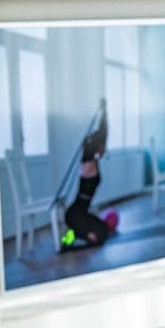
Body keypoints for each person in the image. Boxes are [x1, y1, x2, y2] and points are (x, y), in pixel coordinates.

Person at [64, 99, 110, 246]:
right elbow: (103, 132)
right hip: (74, 216)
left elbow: (103, 132)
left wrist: (103, 111)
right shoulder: (87, 163)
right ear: (97, 148)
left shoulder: (91, 161)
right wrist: (103, 111)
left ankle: (75, 234)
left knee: (105, 229)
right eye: (103, 146)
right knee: (100, 237)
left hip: (79, 213)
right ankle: (75, 235)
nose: (105, 150)